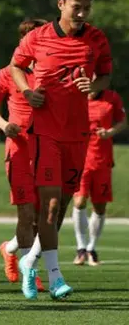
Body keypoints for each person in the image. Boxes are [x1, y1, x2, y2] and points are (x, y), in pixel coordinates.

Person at [10, 0, 112, 300]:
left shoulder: (97, 39)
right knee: (51, 206)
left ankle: (29, 261)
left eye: (86, 8)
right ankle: (54, 277)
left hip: (78, 136)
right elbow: (15, 66)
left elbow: (106, 74)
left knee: (63, 206)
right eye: (76, 6)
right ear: (61, 4)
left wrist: (95, 87)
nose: (82, 13)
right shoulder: (38, 38)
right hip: (45, 133)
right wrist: (27, 91)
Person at [0, 19, 47, 293]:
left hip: (48, 148)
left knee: (45, 216)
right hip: (19, 148)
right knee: (26, 212)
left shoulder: (51, 71)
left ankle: (9, 249)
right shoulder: (7, 74)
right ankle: (29, 274)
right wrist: (3, 125)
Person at [72, 88, 126, 265]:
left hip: (102, 160)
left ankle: (91, 248)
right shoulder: (75, 95)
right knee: (79, 201)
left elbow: (122, 121)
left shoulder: (112, 97)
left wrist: (110, 132)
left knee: (100, 207)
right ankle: (80, 248)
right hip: (80, 158)